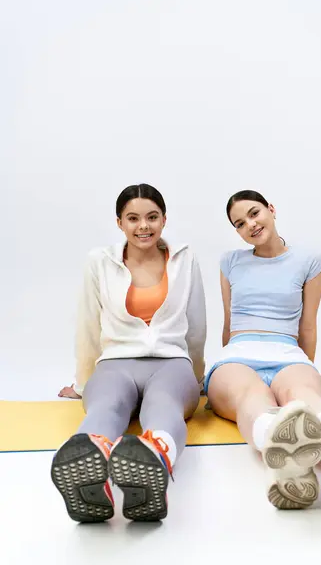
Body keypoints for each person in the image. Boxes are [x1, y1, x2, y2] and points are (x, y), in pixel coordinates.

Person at [205, 189, 321, 516]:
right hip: (238, 354)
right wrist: (220, 377)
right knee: (251, 394)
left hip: (288, 351)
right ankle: (289, 449)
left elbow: (308, 326)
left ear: (271, 209)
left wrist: (306, 370)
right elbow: (229, 322)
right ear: (237, 231)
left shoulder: (308, 260)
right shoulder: (230, 262)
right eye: (240, 223)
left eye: (254, 213)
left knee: (300, 395)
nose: (250, 225)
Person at [51, 183, 206, 523]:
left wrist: (197, 377)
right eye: (133, 218)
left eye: (152, 217)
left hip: (171, 363)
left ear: (164, 220)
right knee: (107, 405)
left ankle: (155, 456)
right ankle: (87, 459)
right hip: (115, 364)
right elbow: (88, 324)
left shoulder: (184, 258)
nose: (143, 226)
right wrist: (82, 382)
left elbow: (196, 323)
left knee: (163, 406)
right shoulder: (100, 261)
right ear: (119, 222)